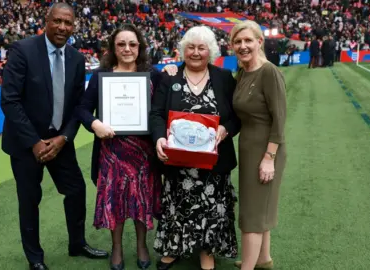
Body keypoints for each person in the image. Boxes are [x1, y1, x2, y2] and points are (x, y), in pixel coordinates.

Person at [0, 3, 108, 270]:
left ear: (74, 26)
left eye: (68, 23)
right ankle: (35, 259)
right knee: (29, 200)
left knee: (76, 190)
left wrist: (64, 138)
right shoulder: (23, 50)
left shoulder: (76, 58)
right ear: (46, 21)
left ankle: (77, 243)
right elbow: (9, 101)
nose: (62, 27)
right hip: (26, 144)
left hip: (60, 141)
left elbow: (76, 105)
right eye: (57, 21)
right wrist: (35, 142)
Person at [150, 25, 240, 270]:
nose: (196, 52)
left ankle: (206, 251)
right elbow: (156, 113)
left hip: (213, 162)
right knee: (176, 205)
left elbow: (235, 116)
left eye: (202, 48)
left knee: (211, 208)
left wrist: (225, 129)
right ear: (183, 50)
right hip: (178, 161)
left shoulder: (223, 77)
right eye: (191, 47)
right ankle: (174, 247)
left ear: (210, 51)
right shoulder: (169, 76)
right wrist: (159, 138)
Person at [75, 23, 162, 270]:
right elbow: (81, 109)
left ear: (140, 47)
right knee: (115, 199)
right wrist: (95, 124)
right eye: (121, 44)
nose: (127, 48)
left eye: (132, 44)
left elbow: (163, 108)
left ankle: (142, 245)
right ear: (113, 48)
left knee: (142, 199)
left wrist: (171, 72)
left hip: (144, 151)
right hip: (111, 151)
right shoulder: (101, 76)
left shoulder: (153, 75)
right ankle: (117, 247)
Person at [230, 20, 287, 270]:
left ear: (259, 42)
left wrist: (269, 157)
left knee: (252, 215)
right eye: (238, 42)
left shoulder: (269, 72)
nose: (243, 46)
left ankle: (248, 267)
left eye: (248, 41)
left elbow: (280, 119)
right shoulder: (242, 71)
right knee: (256, 207)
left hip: (266, 150)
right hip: (248, 148)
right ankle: (263, 259)